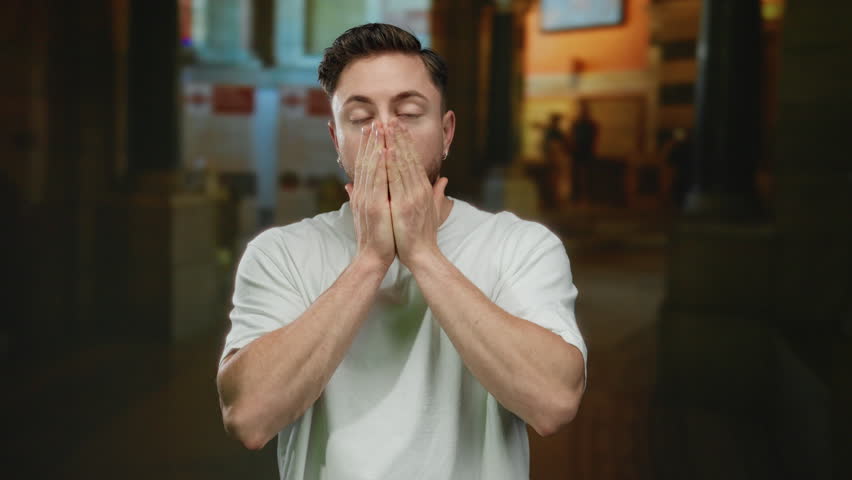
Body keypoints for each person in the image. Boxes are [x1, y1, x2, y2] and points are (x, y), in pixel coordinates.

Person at [216, 23, 587, 479]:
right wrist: (371, 259)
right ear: (337, 141)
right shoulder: (281, 253)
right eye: (360, 118)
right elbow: (248, 418)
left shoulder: (520, 246)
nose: (385, 135)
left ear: (446, 133)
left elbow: (554, 403)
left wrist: (423, 254)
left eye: (409, 112)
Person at [569, 99, 598, 205]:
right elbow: (572, 137)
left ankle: (589, 196)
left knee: (589, 175)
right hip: (577, 153)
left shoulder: (591, 124)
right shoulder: (576, 124)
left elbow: (593, 138)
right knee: (576, 176)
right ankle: (576, 196)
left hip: (587, 153)